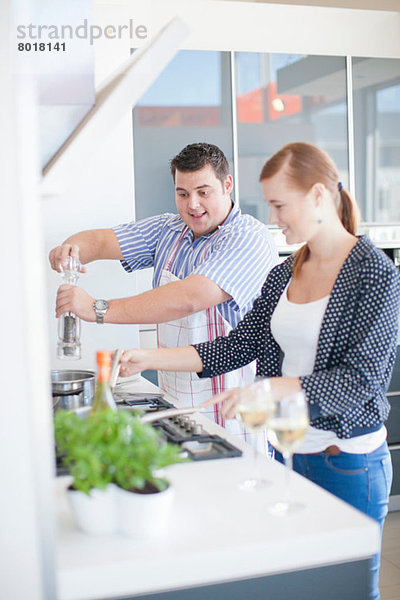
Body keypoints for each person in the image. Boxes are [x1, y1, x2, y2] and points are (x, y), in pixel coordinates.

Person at [118, 142, 400, 600]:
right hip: (285, 455)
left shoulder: (375, 274)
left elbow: (361, 382)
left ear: (317, 197)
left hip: (346, 462)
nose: (273, 218)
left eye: (279, 205)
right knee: (298, 586)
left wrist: (269, 390)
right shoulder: (283, 273)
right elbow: (238, 345)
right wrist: (151, 360)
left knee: (347, 592)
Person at [49, 142, 278, 439]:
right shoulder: (166, 231)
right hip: (177, 406)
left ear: (227, 185)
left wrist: (97, 309)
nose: (192, 204)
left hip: (235, 413)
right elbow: (103, 241)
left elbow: (189, 298)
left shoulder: (249, 238)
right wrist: (70, 248)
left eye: (203, 192)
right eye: (182, 194)